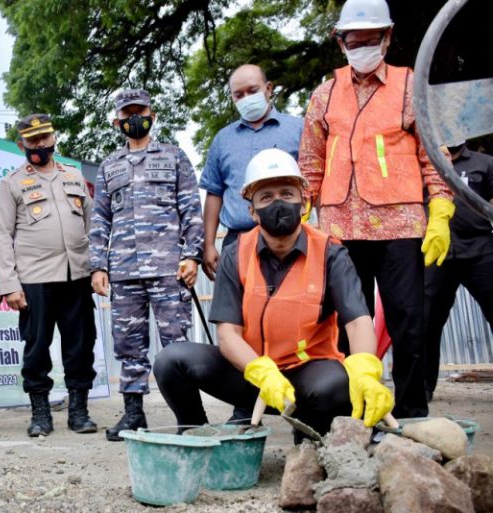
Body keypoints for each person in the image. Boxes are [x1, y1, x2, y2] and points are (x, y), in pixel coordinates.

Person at [154, 149, 394, 439]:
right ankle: (196, 437)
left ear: (303, 202)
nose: (278, 203)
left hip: (309, 374)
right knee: (171, 360)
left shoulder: (330, 252)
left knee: (336, 387)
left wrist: (367, 368)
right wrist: (260, 371)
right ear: (252, 210)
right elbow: (228, 334)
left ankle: (309, 434)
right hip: (252, 373)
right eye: (265, 197)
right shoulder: (236, 254)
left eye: (287, 194)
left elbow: (357, 321)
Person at [297, 0, 454, 418]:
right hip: (340, 227)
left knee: (408, 321)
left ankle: (410, 411)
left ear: (387, 38)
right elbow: (310, 163)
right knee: (349, 324)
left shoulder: (409, 85)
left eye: (370, 39)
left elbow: (434, 157)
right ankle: (351, 413)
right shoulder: (325, 94)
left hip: (400, 224)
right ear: (341, 42)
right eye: (354, 41)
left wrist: (440, 212)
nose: (362, 47)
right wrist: (300, 211)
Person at [90, 89, 204, 441]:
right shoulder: (109, 166)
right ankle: (133, 415)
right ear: (116, 121)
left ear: (152, 115)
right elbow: (100, 220)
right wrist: (98, 265)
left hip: (169, 267)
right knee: (129, 346)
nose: (134, 118)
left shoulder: (174, 156)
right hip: (124, 271)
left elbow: (191, 209)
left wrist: (192, 254)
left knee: (177, 345)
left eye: (140, 111)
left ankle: (189, 416)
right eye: (127, 113)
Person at [0, 113, 98, 437]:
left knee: (81, 345)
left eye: (44, 137)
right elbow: (2, 235)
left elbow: (92, 223)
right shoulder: (12, 182)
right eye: (32, 140)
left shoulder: (74, 176)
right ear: (21, 144)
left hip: (76, 275)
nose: (40, 144)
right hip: (35, 278)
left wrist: (96, 267)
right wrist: (10, 284)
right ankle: (40, 413)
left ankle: (79, 411)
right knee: (37, 347)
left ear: (53, 137)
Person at [199, 64, 304, 280]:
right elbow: (214, 192)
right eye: (239, 95)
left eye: (252, 91)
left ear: (268, 88)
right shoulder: (222, 140)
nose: (246, 98)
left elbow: (313, 182)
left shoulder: (298, 130)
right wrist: (208, 244)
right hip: (237, 241)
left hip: (290, 238)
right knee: (234, 311)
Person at [424, 141, 493, 400]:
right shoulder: (425, 162)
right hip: (436, 253)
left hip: (481, 249)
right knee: (426, 322)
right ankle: (423, 389)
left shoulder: (484, 163)